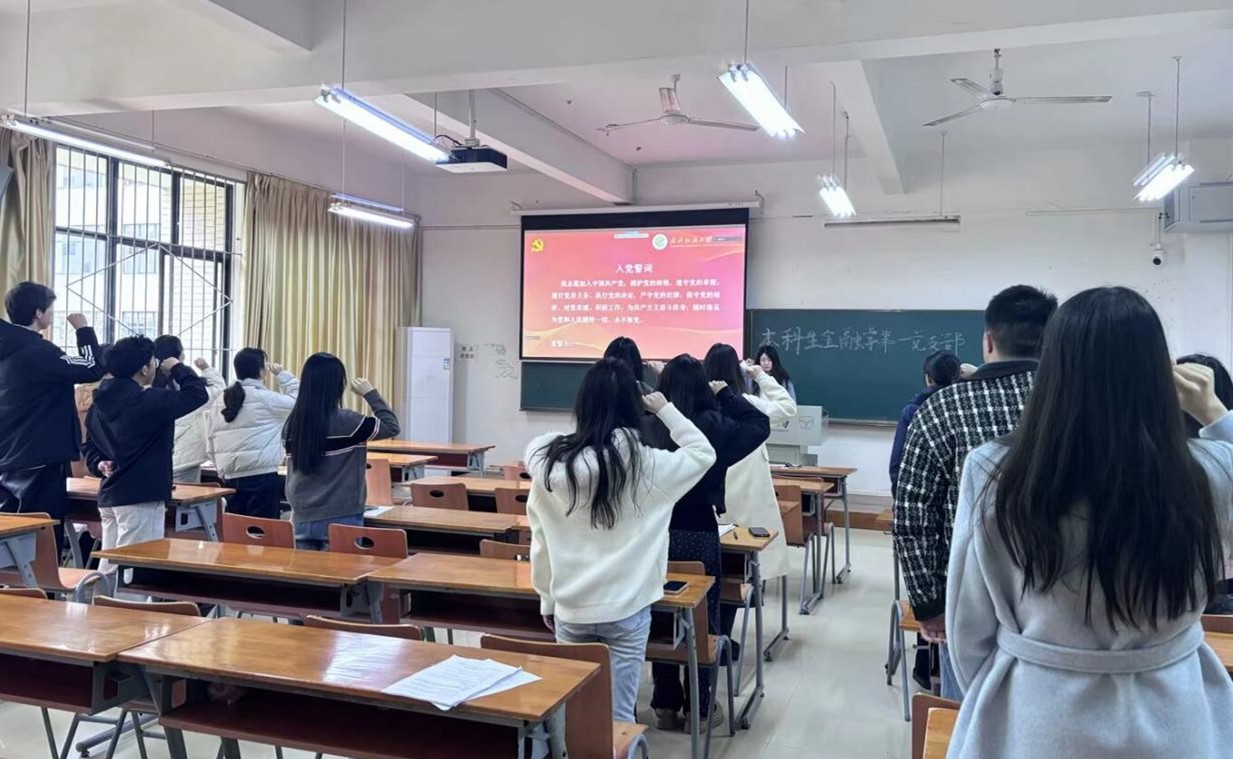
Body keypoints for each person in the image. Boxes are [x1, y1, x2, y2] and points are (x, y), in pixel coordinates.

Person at [946, 287, 1233, 758]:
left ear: (1052, 369)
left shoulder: (995, 470)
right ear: (1159, 371)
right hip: (1175, 709)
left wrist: (1000, 688)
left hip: (1039, 711)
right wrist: (1215, 413)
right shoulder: (1210, 470)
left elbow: (968, 625)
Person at [525, 358, 715, 724]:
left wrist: (547, 598)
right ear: (634, 406)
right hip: (627, 608)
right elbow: (703, 453)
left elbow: (541, 542)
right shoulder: (649, 466)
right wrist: (665, 410)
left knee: (578, 712)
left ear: (582, 405)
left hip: (570, 606)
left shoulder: (549, 468)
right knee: (618, 717)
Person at [893, 284, 1057, 701]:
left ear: (987, 341)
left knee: (967, 713)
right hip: (1060, 600)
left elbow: (912, 515)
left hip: (968, 596)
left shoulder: (941, 408)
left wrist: (929, 604)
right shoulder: (1076, 405)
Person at [645, 354, 770, 731]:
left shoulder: (649, 424)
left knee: (661, 613)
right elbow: (759, 425)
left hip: (655, 530)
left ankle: (665, 704)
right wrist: (727, 394)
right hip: (699, 531)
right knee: (704, 620)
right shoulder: (714, 424)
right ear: (703, 387)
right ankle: (700, 708)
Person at [81, 336, 208, 574]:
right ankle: (118, 600)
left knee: (110, 567)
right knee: (134, 570)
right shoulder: (149, 400)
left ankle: (101, 598)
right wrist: (177, 368)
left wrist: (98, 464)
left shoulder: (99, 403)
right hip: (141, 494)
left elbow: (88, 445)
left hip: (110, 492)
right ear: (144, 369)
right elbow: (198, 394)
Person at [0, 282, 104, 550]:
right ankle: (45, 579)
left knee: (10, 539)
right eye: (50, 309)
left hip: (7, 454)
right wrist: (83, 330)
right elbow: (92, 367)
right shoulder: (39, 352)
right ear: (38, 313)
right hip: (40, 456)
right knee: (41, 538)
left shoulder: (7, 349)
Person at [283, 353, 399, 550]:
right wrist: (370, 393)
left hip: (301, 515)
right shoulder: (349, 422)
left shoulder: (292, 424)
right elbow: (391, 426)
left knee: (306, 571)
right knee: (343, 570)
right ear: (338, 386)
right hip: (341, 515)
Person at [703, 343, 795, 585]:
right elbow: (788, 407)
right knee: (750, 552)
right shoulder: (748, 404)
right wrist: (760, 376)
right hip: (749, 493)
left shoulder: (698, 409)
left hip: (712, 496)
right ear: (737, 372)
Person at [206, 347, 299, 520]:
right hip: (262, 476)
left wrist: (221, 469)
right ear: (261, 371)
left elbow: (210, 439)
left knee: (236, 530)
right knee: (262, 532)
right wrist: (283, 375)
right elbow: (299, 400)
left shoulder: (220, 401)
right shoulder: (266, 398)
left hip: (230, 478)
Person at [889, 351, 962, 496]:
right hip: (959, 493)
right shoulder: (965, 406)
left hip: (920, 492)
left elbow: (897, 463)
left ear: (928, 378)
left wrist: (899, 495)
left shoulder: (913, 411)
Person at [153, 336, 225, 484]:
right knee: (187, 498)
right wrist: (206, 369)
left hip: (153, 460)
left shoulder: (150, 389)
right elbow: (218, 392)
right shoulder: (190, 393)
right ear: (179, 357)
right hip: (185, 461)